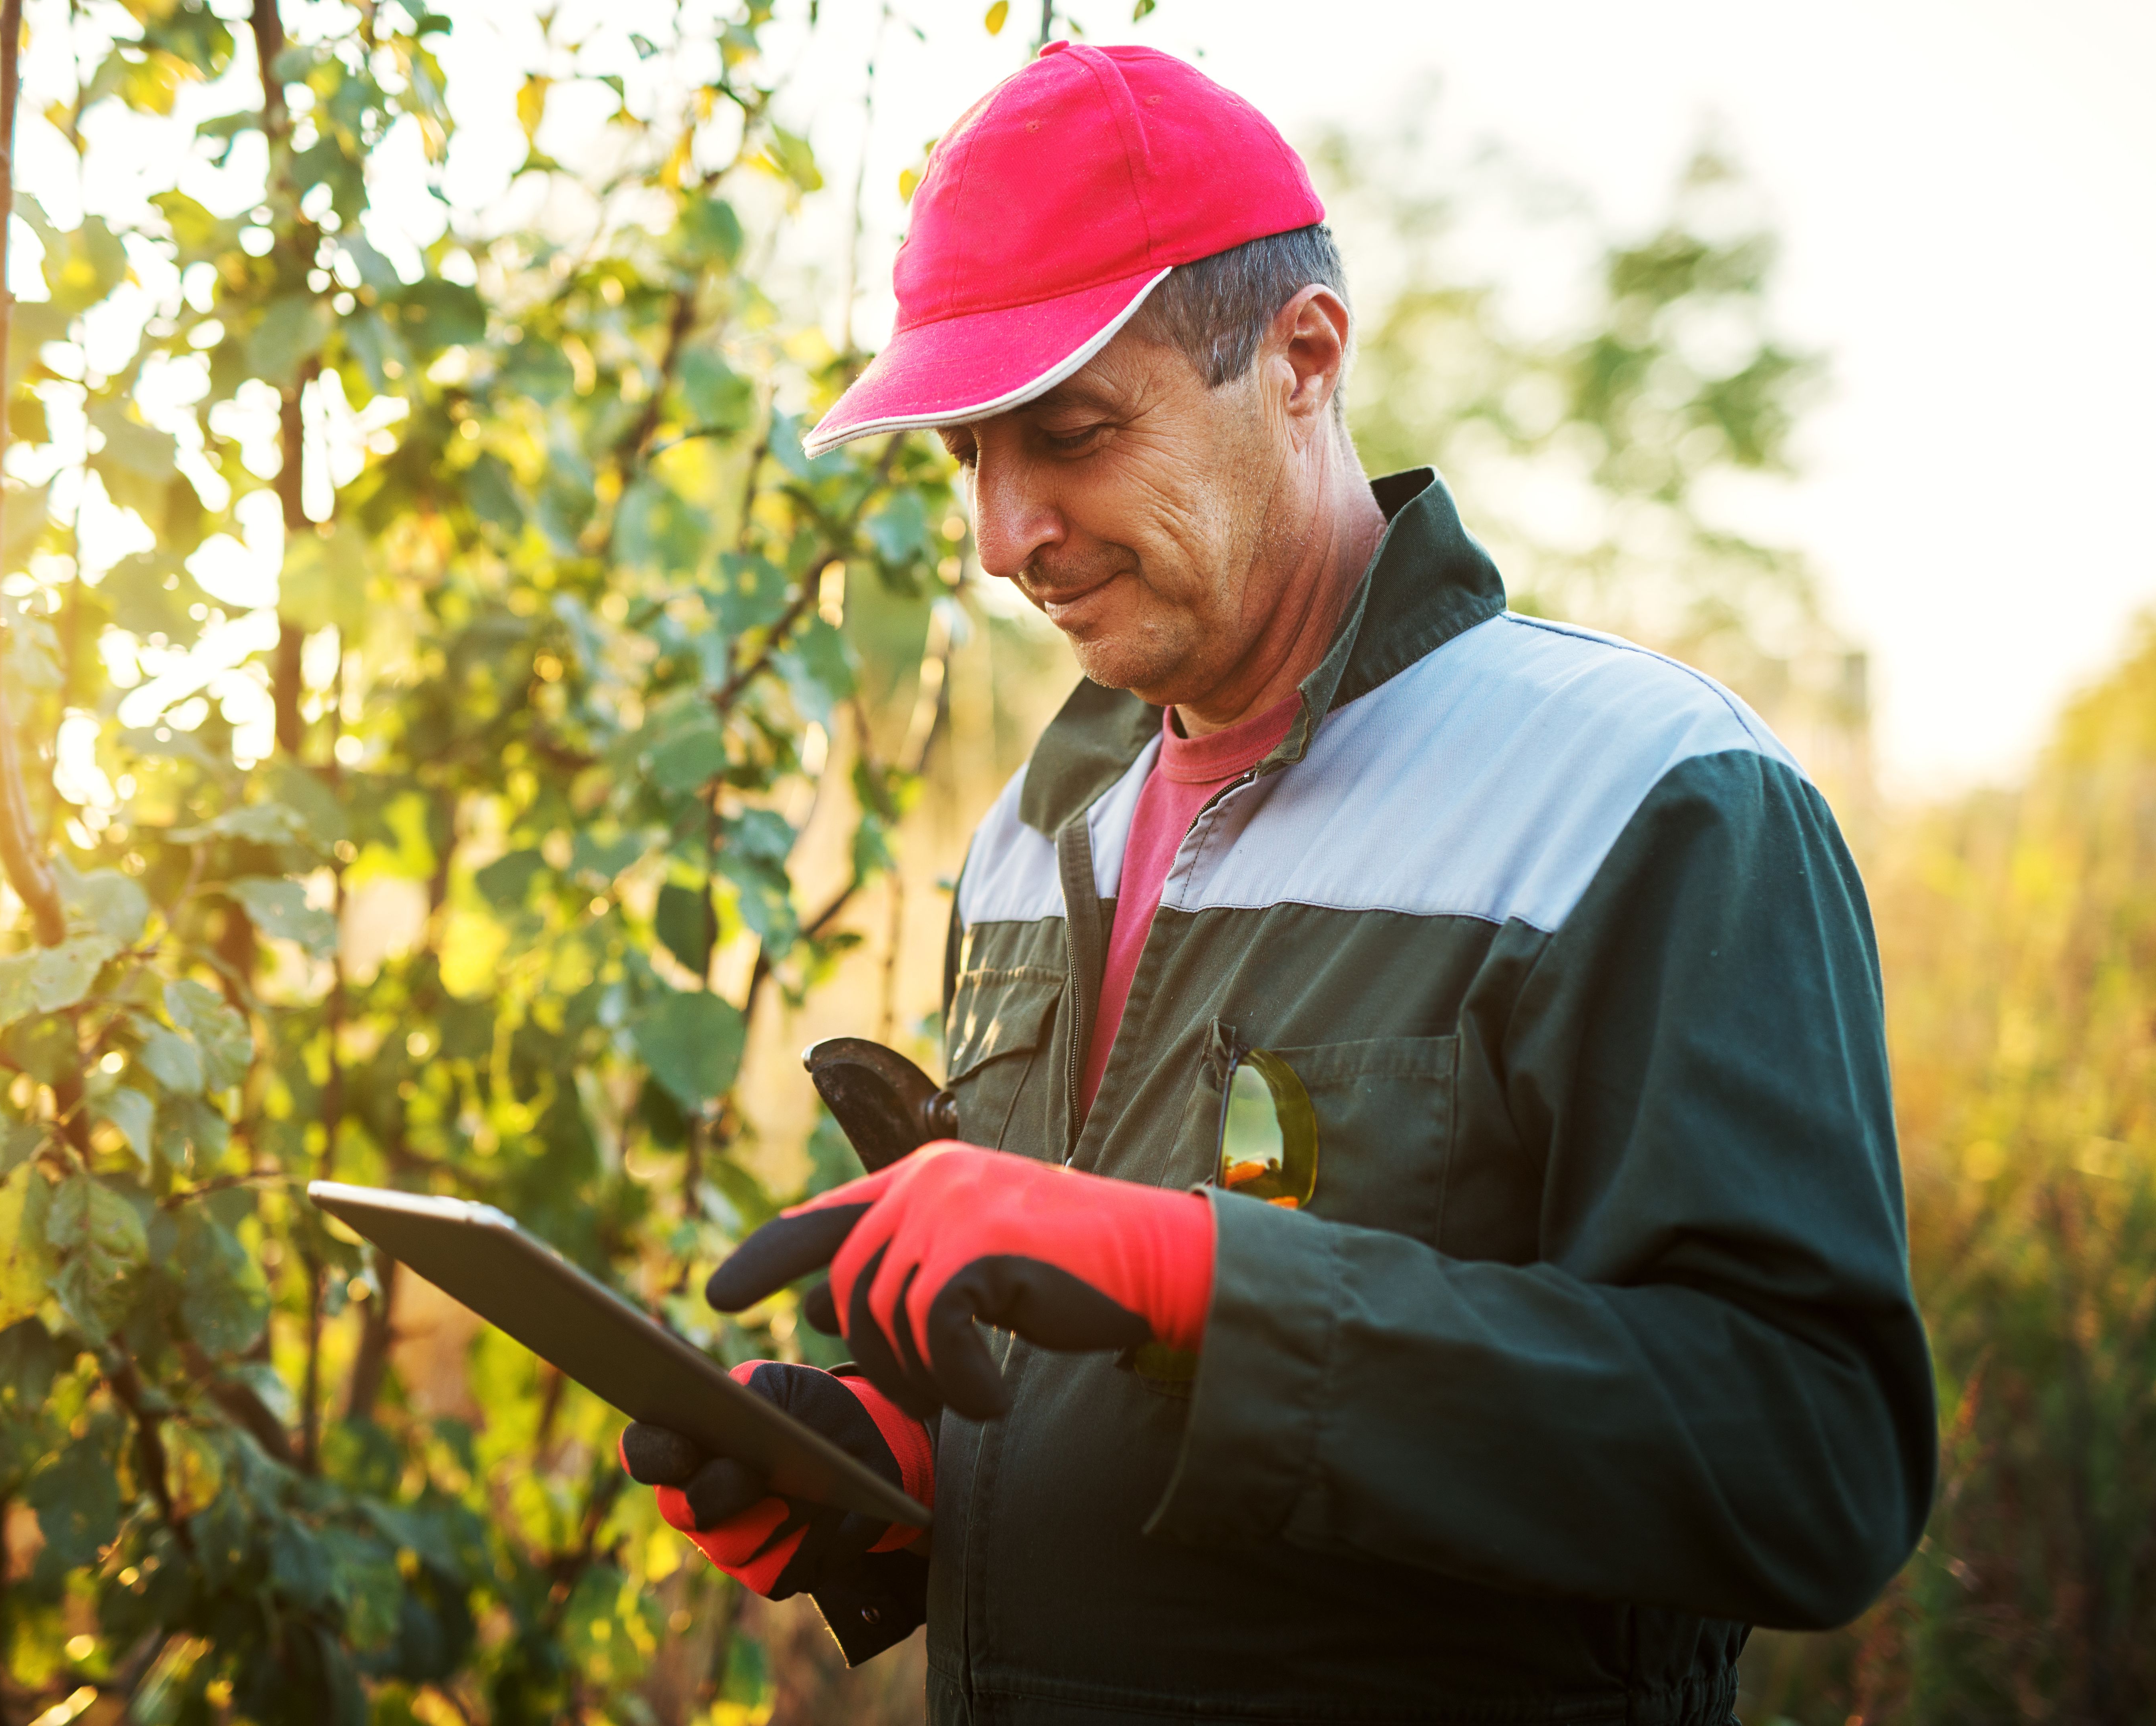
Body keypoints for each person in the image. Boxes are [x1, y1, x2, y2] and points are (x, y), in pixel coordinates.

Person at [618, 41, 1933, 1726]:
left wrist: (1197, 1279)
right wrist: (900, 1469)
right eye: (968, 457)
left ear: (1302, 355)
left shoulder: (1647, 798)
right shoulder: (1038, 829)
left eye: (1072, 430)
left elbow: (1805, 1467)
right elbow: (1088, 1394)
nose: (1002, 533)